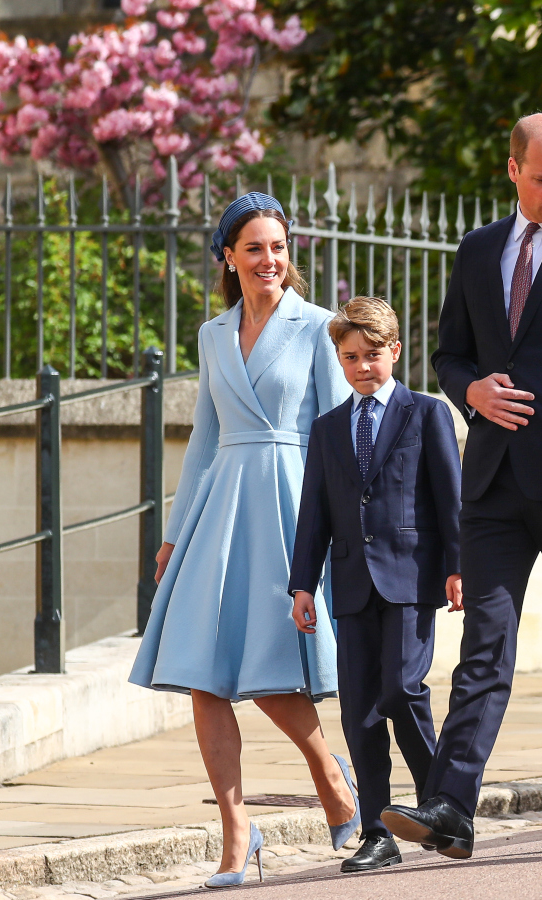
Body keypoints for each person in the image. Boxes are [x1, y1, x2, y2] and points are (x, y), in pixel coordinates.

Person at [382, 113, 542, 858]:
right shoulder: (476, 251)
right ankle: (452, 807)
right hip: (493, 483)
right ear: (512, 172)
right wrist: (473, 393)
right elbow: (449, 355)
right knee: (483, 648)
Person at [128, 193, 358, 888]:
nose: (269, 260)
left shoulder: (320, 328)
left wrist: (341, 524)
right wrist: (174, 534)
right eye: (254, 248)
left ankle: (329, 772)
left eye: (279, 248)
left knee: (265, 671)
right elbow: (204, 438)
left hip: (292, 504)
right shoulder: (211, 334)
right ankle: (236, 835)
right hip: (220, 509)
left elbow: (339, 431)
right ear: (229, 257)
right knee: (205, 672)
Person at [288, 296, 464, 874]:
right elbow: (314, 512)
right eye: (350, 357)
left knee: (402, 688)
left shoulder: (427, 413)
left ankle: (444, 806)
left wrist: (458, 567)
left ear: (395, 350)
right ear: (338, 360)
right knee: (361, 707)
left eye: (372, 355)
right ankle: (376, 830)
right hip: (351, 584)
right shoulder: (328, 428)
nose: (362, 366)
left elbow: (450, 500)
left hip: (412, 578)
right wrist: (303, 585)